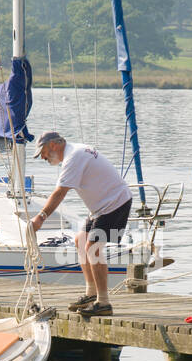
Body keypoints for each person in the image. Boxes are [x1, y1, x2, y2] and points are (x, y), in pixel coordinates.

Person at [30, 131, 133, 317]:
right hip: (102, 207)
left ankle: (103, 302)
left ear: (53, 145)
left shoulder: (74, 156)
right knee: (80, 240)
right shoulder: (74, 152)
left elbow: (60, 192)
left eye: (43, 152)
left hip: (115, 202)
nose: (43, 157)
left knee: (92, 247)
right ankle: (91, 293)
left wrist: (40, 218)